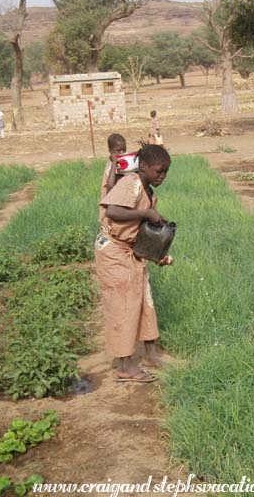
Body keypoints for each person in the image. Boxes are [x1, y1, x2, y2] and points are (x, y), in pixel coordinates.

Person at [95, 145, 172, 383]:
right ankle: (125, 366)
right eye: (159, 171)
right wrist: (146, 215)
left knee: (144, 301)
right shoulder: (131, 183)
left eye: (166, 172)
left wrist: (158, 252)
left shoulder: (149, 192)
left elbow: (140, 232)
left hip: (130, 251)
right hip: (114, 251)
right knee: (123, 305)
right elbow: (113, 212)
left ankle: (150, 354)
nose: (162, 176)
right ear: (144, 167)